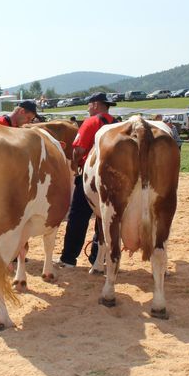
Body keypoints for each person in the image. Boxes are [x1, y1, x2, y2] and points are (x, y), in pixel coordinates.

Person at [57, 92, 116, 268]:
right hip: (113, 177)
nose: (88, 108)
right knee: (104, 217)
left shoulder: (91, 121)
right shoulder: (116, 123)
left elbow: (79, 149)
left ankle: (68, 259)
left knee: (78, 217)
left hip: (90, 176)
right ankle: (97, 257)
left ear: (96, 105)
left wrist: (74, 166)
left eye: (89, 105)